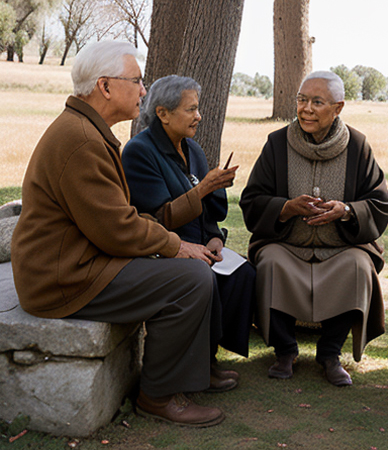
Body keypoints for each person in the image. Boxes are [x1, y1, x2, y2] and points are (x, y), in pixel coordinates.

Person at [11, 40, 235, 428]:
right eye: (136, 81)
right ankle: (158, 396)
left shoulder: (85, 129)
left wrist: (174, 245)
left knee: (190, 270)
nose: (144, 91)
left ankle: (186, 378)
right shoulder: (80, 138)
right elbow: (116, 229)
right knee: (191, 279)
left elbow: (119, 218)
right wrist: (176, 245)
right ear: (106, 86)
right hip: (62, 278)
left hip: (79, 262)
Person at [240, 70, 388, 386]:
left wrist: (347, 211)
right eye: (301, 100)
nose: (306, 108)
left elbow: (379, 203)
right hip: (286, 246)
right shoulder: (277, 143)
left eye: (317, 102)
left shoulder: (358, 146)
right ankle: (285, 351)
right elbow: (253, 198)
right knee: (270, 263)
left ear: (338, 107)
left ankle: (330, 354)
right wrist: (285, 208)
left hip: (340, 249)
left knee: (358, 266)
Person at [122, 74, 256, 364]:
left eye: (198, 108)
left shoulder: (192, 148)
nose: (199, 116)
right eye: (191, 109)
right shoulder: (140, 152)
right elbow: (162, 217)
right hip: (166, 249)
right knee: (205, 278)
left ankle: (211, 356)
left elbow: (207, 212)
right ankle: (199, 363)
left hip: (201, 245)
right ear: (163, 114)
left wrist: (215, 237)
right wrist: (205, 186)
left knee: (243, 273)